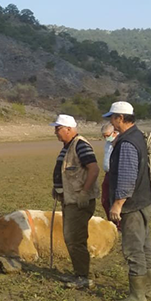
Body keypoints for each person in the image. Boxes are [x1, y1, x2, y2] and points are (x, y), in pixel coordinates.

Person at [104, 102, 151, 301]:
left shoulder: (126, 143)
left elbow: (126, 177)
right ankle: (149, 289)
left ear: (120, 118)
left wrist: (117, 204)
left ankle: (137, 296)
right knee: (145, 245)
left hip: (132, 205)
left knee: (133, 249)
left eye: (112, 117)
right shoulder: (137, 136)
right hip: (144, 201)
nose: (110, 121)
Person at [50, 115, 100, 289]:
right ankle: (80, 273)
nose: (55, 132)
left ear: (69, 129)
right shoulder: (68, 146)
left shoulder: (80, 145)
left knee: (74, 238)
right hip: (69, 199)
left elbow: (94, 169)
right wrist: (58, 188)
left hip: (78, 201)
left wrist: (85, 192)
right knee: (72, 238)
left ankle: (83, 277)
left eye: (58, 128)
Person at [100, 122, 117, 218]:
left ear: (114, 132)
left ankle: (118, 224)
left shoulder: (119, 141)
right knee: (105, 200)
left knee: (114, 199)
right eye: (104, 136)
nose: (106, 138)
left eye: (107, 136)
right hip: (107, 174)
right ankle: (111, 220)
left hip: (115, 174)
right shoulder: (107, 143)